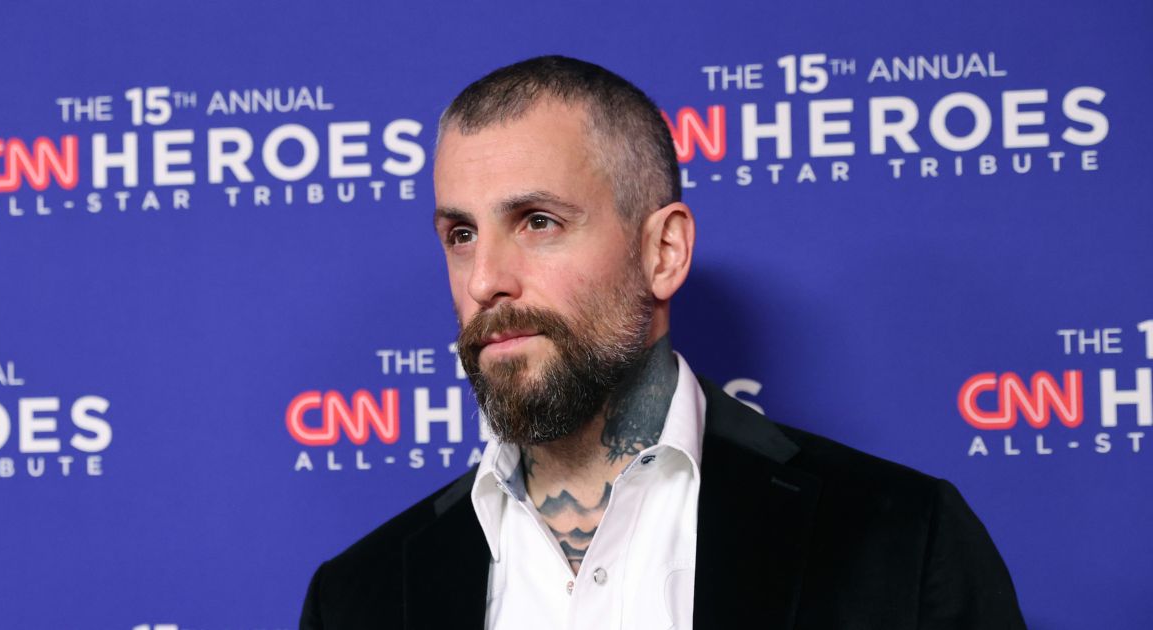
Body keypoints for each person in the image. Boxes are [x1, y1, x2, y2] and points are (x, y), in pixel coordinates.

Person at [299, 55, 1026, 630]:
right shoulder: (357, 597)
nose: (486, 279)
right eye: (460, 234)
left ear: (665, 251)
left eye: (538, 221)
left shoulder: (899, 540)